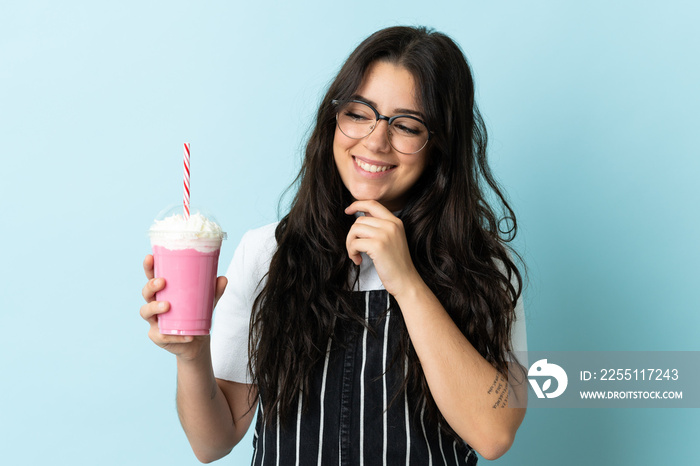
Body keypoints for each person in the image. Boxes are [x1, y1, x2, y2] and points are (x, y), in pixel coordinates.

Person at [141, 25, 527, 465]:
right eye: (359, 113)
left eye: (406, 125)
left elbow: (494, 433)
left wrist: (407, 281)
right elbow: (212, 443)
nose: (375, 141)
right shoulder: (266, 252)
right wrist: (192, 356)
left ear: (438, 146)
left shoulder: (482, 266)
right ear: (334, 119)